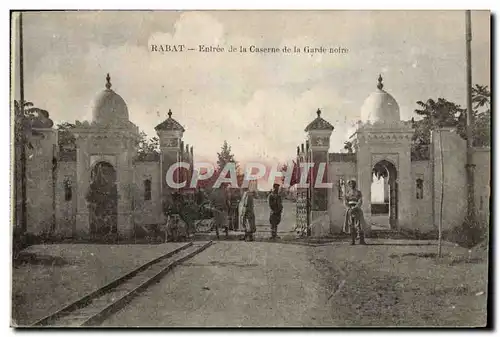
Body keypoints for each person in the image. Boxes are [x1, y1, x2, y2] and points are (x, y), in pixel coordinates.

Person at [343, 180, 367, 245]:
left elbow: (360, 201)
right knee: (351, 225)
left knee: (359, 225)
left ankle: (361, 240)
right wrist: (349, 208)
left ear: (355, 184)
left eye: (353, 184)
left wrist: (355, 207)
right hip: (350, 211)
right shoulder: (347, 193)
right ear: (349, 185)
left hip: (357, 210)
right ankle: (352, 240)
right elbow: (345, 202)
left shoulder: (358, 192)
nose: (351, 185)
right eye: (350, 184)